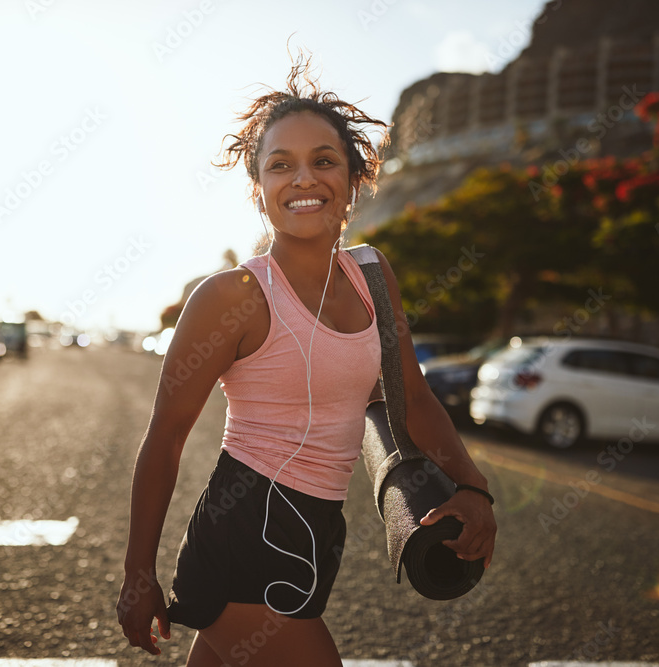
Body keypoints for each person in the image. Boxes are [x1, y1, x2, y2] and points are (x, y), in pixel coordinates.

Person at [116, 51, 497, 666]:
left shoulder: (373, 274)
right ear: (259, 186)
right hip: (244, 535)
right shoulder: (230, 298)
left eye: (324, 161)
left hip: (318, 533)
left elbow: (413, 399)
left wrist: (475, 490)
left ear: (353, 177)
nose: (303, 179)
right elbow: (164, 439)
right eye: (280, 165)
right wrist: (138, 576)